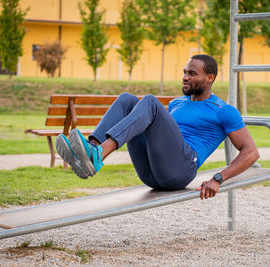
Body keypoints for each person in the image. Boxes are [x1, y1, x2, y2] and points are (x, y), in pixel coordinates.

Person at [56, 54, 259, 200]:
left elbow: (251, 152)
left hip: (181, 170)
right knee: (127, 100)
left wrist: (218, 179)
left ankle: (99, 153)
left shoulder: (224, 110)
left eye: (192, 73)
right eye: (185, 72)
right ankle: (92, 149)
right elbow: (162, 139)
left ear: (210, 78)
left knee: (151, 102)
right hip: (152, 173)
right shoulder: (177, 103)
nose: (185, 77)